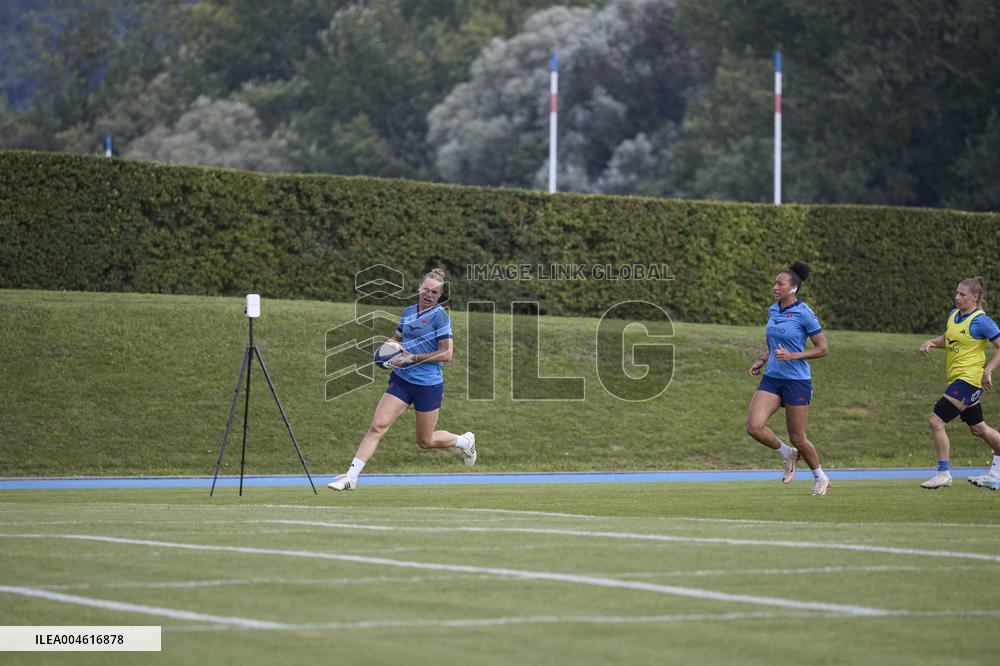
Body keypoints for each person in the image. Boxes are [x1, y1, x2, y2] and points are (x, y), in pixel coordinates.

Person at [328, 268, 476, 491]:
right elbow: (396, 340)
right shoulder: (407, 312)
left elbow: (446, 354)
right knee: (377, 426)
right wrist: (386, 353)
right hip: (402, 381)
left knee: (425, 441)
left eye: (435, 292)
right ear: (419, 288)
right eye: (426, 289)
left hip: (428, 385)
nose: (429, 294)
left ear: (440, 295)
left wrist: (411, 357)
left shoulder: (440, 316)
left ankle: (465, 442)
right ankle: (351, 477)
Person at [746, 262, 831, 495]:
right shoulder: (774, 310)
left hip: (797, 381)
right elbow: (774, 343)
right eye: (775, 283)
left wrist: (794, 355)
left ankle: (821, 477)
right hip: (772, 378)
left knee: (798, 437)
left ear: (793, 288)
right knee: (754, 426)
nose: (775, 287)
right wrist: (763, 359)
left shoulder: (805, 313)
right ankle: (787, 454)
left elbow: (823, 348)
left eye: (780, 284)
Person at [918, 277, 1000, 490]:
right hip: (958, 379)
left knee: (936, 421)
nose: (957, 297)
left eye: (963, 294)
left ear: (975, 297)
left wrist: (988, 370)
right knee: (978, 429)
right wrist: (931, 343)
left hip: (969, 380)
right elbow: (949, 338)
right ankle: (997, 473)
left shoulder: (981, 320)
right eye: (957, 293)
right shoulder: (954, 315)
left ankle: (943, 473)